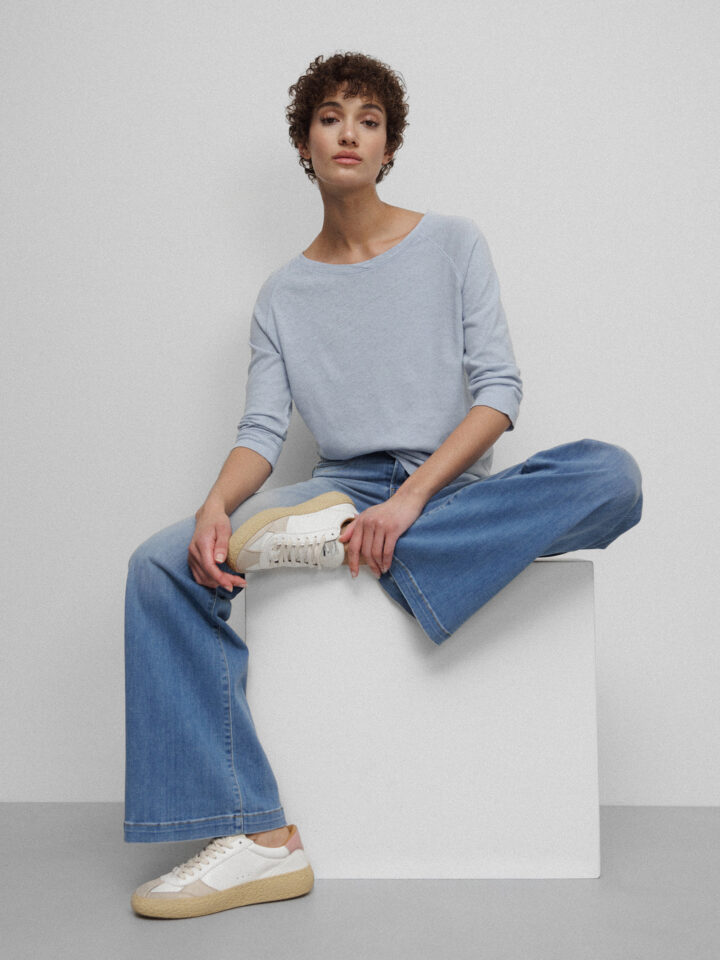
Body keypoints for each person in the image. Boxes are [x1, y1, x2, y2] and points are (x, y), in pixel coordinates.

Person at [125, 51, 643, 919]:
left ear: (389, 146)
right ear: (304, 144)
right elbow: (262, 431)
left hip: (446, 491)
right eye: (331, 118)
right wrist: (216, 505)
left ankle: (376, 548)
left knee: (611, 475)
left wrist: (411, 502)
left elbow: (499, 393)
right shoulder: (282, 294)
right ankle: (257, 838)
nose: (350, 134)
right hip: (338, 492)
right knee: (157, 565)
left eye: (369, 121)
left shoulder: (453, 243)